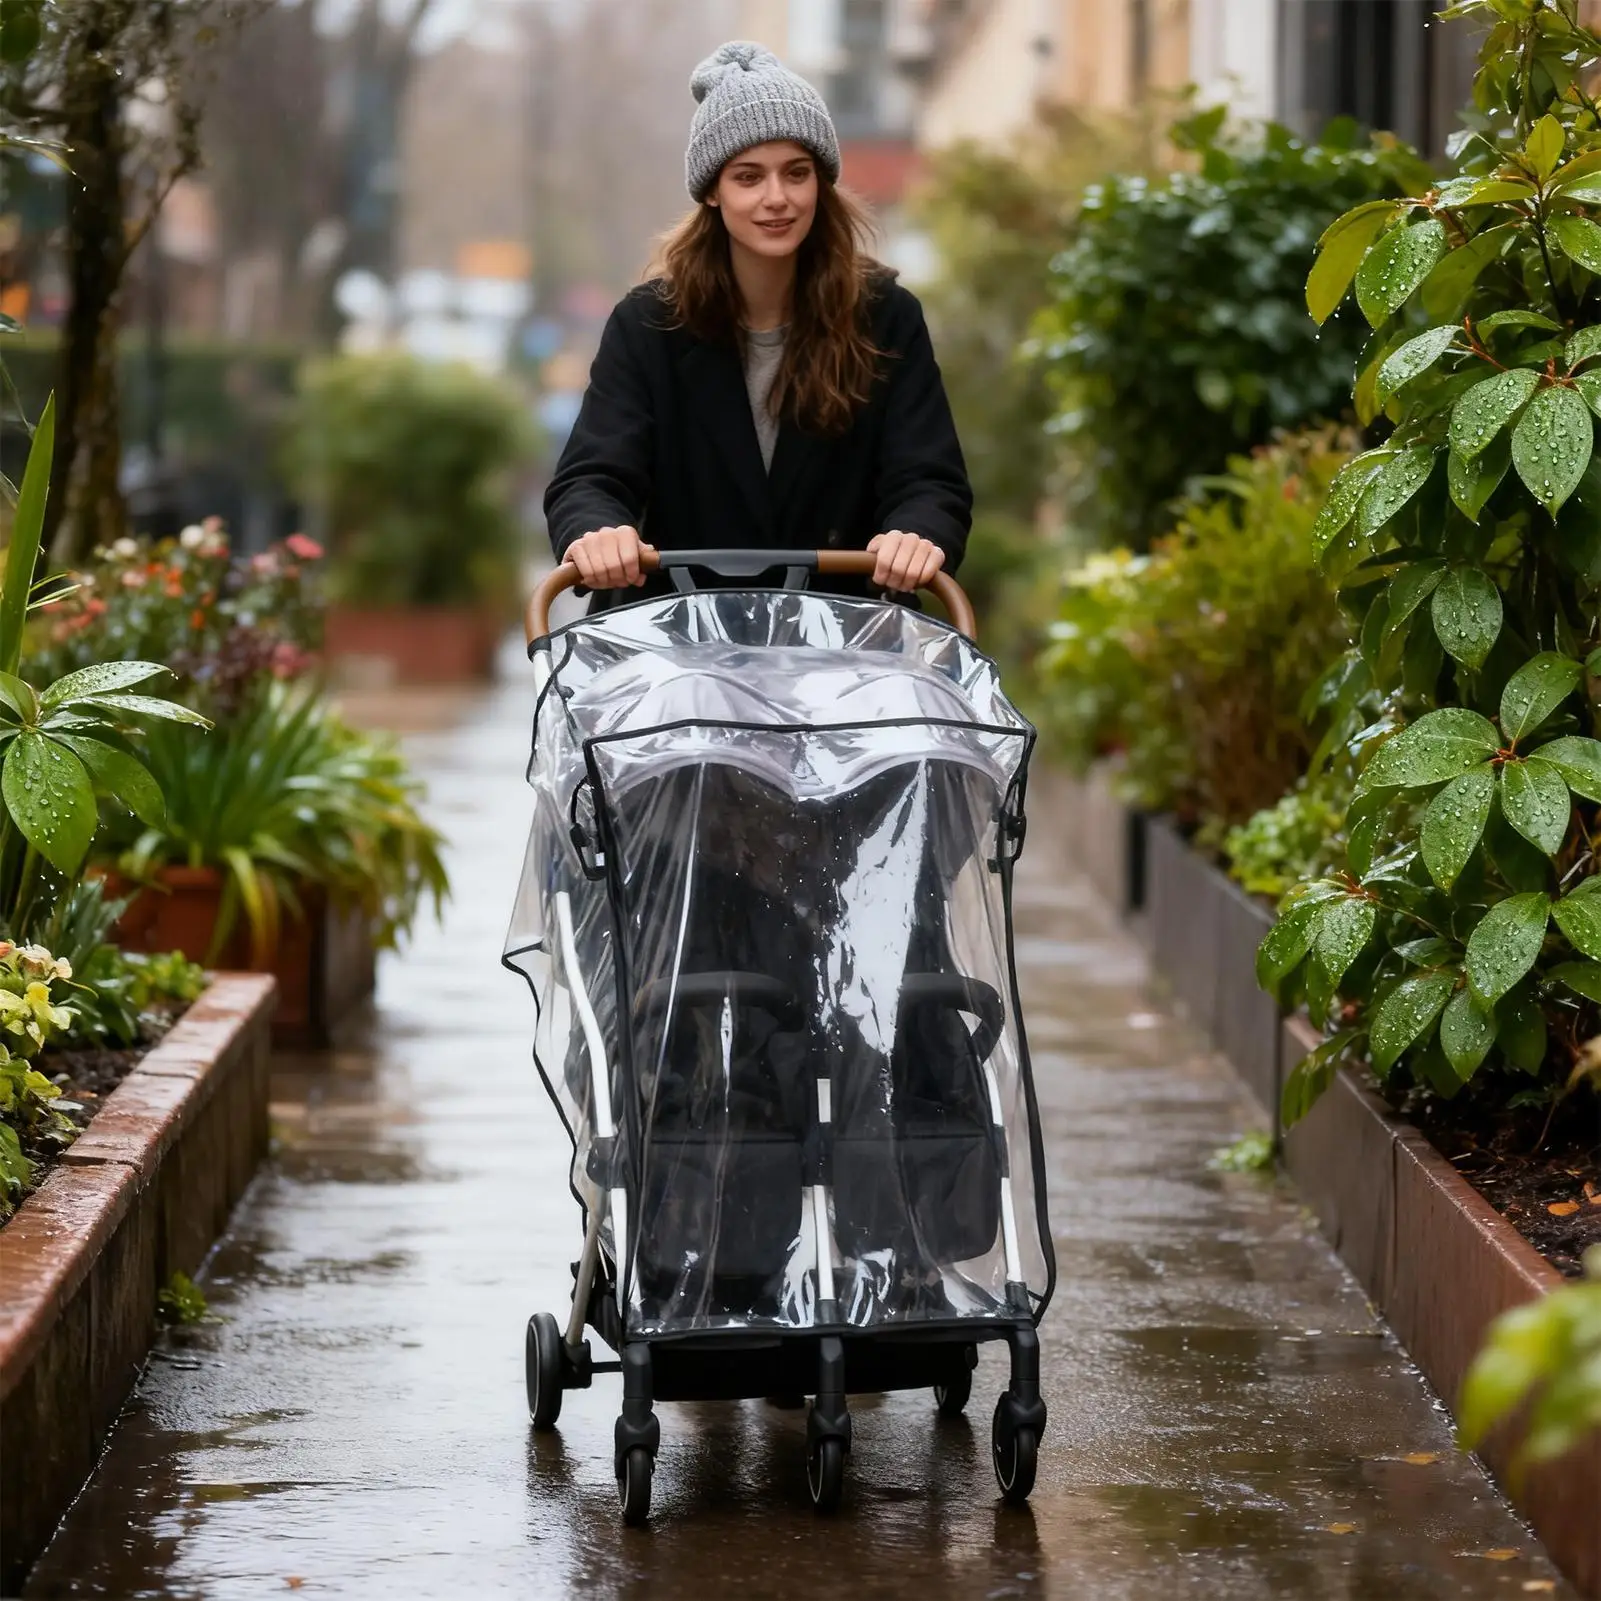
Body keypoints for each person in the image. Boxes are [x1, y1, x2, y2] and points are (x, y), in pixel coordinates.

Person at [544, 39, 973, 609]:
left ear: (820, 182)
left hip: (847, 649)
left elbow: (929, 478)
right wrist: (598, 532)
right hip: (675, 652)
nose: (778, 198)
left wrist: (916, 534)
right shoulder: (650, 324)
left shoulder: (884, 316)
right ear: (713, 193)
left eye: (796, 173)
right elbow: (592, 476)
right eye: (749, 177)